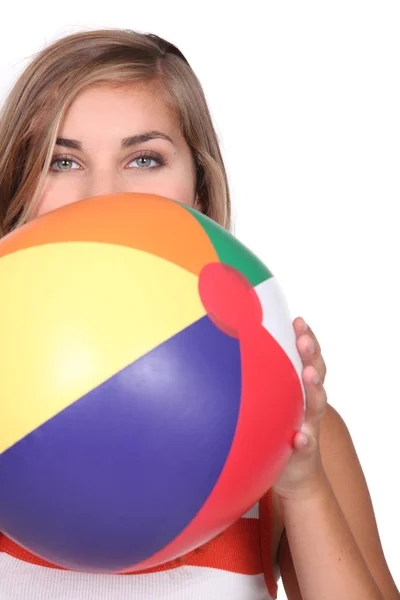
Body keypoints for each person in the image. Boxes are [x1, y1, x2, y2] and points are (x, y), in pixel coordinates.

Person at [0, 29, 397, 600]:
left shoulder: (299, 431)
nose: (104, 195)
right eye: (62, 161)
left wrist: (302, 485)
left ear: (200, 192)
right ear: (20, 185)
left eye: (144, 158)